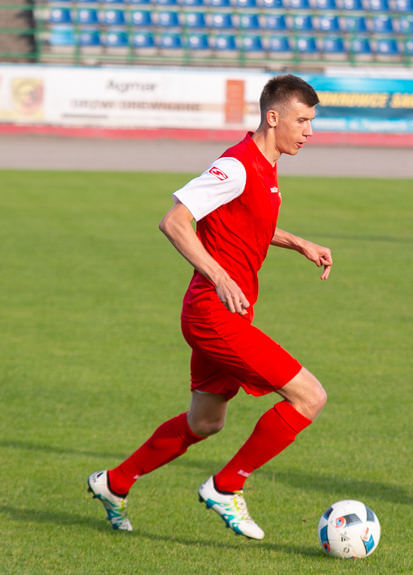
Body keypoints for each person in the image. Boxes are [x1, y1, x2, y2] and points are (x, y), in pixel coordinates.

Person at [87, 74, 332, 540]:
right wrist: (219, 275)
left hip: (227, 313)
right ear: (273, 117)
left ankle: (114, 484)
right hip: (212, 314)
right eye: (302, 120)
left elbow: (243, 223)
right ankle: (226, 486)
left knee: (205, 422)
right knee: (309, 397)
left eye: (312, 122)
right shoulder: (237, 165)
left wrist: (297, 242)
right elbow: (175, 221)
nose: (309, 131)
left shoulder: (265, 166)